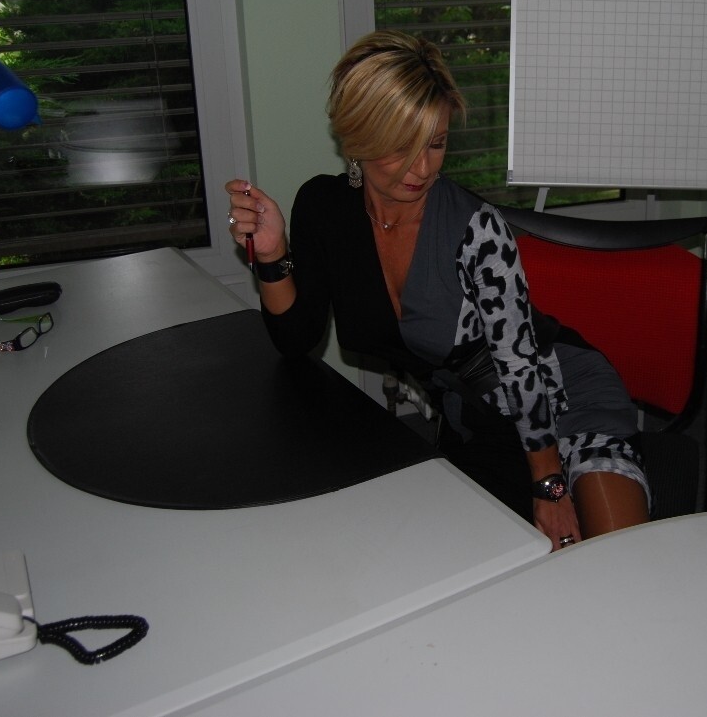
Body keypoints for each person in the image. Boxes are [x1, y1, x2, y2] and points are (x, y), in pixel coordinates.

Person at [225, 30, 648, 549]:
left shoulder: (477, 228)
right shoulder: (324, 208)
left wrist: (550, 485)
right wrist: (272, 255)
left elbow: (519, 366)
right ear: (357, 138)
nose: (422, 168)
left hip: (562, 392)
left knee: (616, 556)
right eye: (401, 146)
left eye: (436, 143)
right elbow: (296, 339)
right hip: (475, 418)